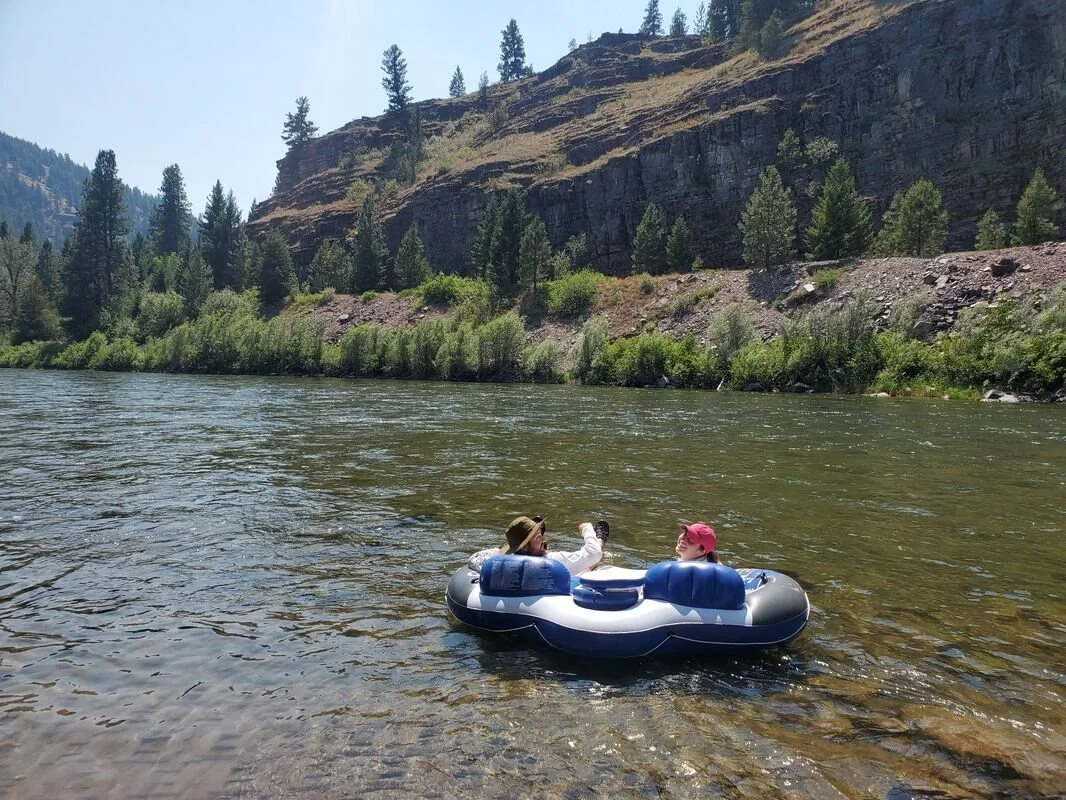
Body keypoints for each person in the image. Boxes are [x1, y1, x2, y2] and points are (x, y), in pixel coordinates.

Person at [467, 515, 608, 575]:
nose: (543, 540)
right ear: (523, 547)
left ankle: (533, 531)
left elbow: (475, 558)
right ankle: (600, 540)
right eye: (538, 538)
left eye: (540, 536)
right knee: (589, 566)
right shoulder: (552, 560)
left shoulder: (501, 560)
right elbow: (594, 553)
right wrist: (587, 528)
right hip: (562, 572)